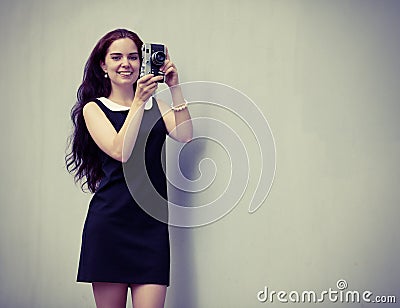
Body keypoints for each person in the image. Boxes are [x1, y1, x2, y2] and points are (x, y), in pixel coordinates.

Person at [66, 28, 192, 308]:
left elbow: (185, 135)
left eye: (133, 57)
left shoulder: (157, 106)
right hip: (110, 226)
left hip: (151, 225)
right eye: (117, 57)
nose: (126, 63)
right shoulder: (93, 109)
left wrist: (174, 87)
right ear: (103, 65)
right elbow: (120, 150)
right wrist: (138, 102)